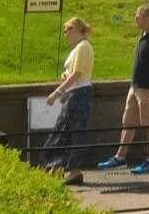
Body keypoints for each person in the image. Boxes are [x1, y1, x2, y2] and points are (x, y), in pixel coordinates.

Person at [99, 5, 149, 174]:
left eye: (138, 16)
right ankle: (120, 157)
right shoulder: (143, 36)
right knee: (128, 121)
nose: (136, 19)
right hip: (135, 87)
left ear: (148, 18)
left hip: (147, 88)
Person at [43, 18, 95, 181]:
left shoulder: (82, 47)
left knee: (68, 131)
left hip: (79, 94)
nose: (66, 35)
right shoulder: (80, 47)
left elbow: (76, 74)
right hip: (77, 93)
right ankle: (61, 167)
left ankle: (68, 169)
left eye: (67, 31)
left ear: (75, 30)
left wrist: (57, 92)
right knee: (67, 131)